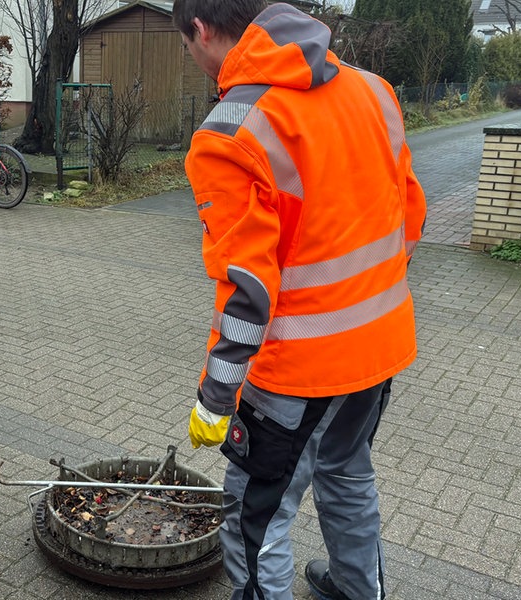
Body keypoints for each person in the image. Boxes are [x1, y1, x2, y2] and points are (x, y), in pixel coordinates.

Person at [175, 1, 426, 599]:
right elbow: (410, 214)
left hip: (296, 370)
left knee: (255, 515)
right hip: (380, 345)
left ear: (201, 31)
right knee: (346, 472)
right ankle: (356, 588)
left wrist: (215, 396)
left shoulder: (230, 132)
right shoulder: (373, 91)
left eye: (187, 46)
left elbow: (247, 287)